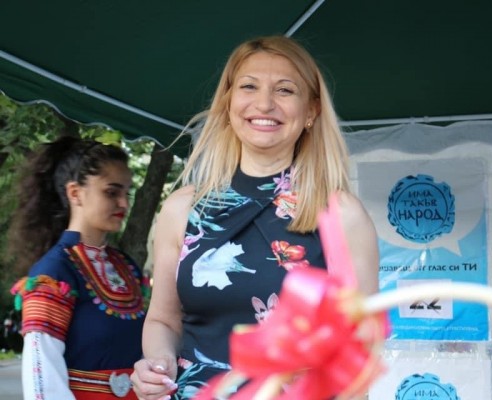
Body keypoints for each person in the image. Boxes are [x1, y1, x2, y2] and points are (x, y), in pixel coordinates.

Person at [130, 35, 379, 400]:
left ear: (311, 111)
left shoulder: (340, 215)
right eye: (249, 86)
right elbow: (163, 320)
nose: (264, 103)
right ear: (229, 101)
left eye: (285, 90)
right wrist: (158, 364)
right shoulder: (182, 209)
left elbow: (360, 351)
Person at [9, 136, 149, 400]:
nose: (124, 203)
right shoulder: (53, 273)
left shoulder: (126, 267)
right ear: (75, 193)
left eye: (127, 193)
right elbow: (43, 377)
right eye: (111, 192)